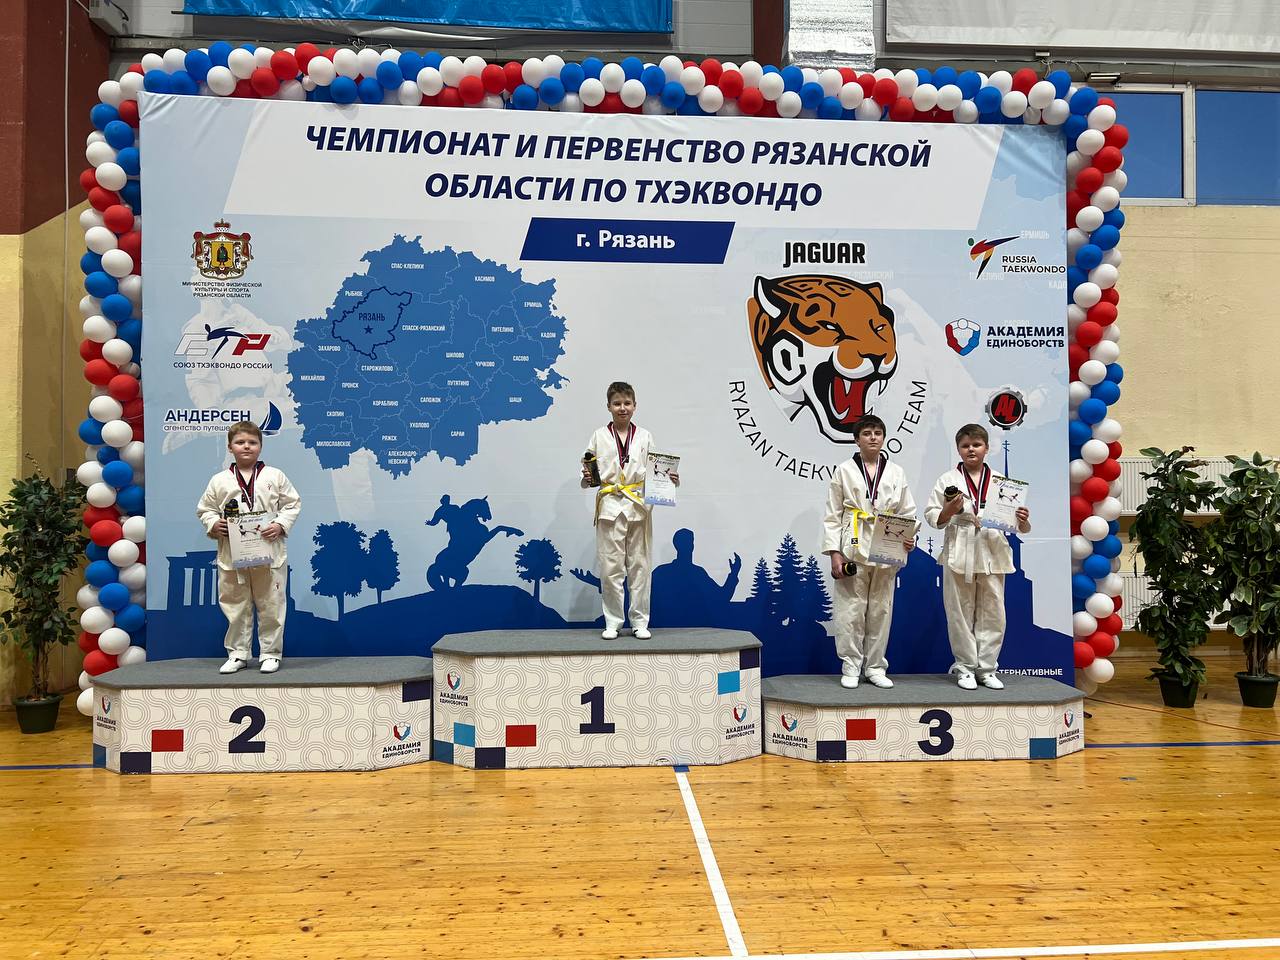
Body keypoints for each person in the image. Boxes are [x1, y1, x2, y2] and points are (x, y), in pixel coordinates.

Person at [924, 423, 1031, 691]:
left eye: (976, 444)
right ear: (958, 450)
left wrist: (1022, 520)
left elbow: (1017, 526)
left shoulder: (1001, 482)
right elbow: (932, 516)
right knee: (959, 612)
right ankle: (965, 667)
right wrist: (948, 511)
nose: (971, 449)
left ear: (987, 448)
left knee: (993, 611)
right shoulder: (947, 480)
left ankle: (987, 668)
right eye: (965, 445)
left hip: (992, 548)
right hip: (959, 547)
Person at [197, 421, 302, 674]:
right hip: (234, 553)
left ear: (260, 446)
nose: (246, 447)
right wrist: (214, 524)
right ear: (230, 447)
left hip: (268, 552)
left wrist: (280, 525)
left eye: (252, 442)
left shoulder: (275, 476)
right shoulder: (219, 480)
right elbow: (206, 509)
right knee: (235, 605)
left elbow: (293, 504)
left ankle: (270, 653)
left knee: (272, 604)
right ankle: (238, 653)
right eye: (240, 442)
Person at [821, 415, 916, 689]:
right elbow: (832, 515)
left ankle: (875, 666)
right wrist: (834, 553)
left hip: (886, 544)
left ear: (883, 438)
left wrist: (908, 539)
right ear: (856, 439)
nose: (873, 437)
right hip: (853, 542)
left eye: (877, 433)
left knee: (881, 610)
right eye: (867, 433)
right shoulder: (844, 470)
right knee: (850, 609)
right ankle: (851, 665)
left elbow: (907, 512)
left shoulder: (896, 472)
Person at [581, 381, 677, 640]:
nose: (622, 408)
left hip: (638, 506)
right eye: (617, 403)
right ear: (608, 406)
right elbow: (588, 469)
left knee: (640, 566)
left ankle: (639, 621)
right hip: (610, 505)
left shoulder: (645, 436)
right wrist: (588, 477)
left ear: (635, 406)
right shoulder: (599, 436)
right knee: (610, 567)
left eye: (627, 403)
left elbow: (656, 470)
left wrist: (669, 480)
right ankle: (613, 621)